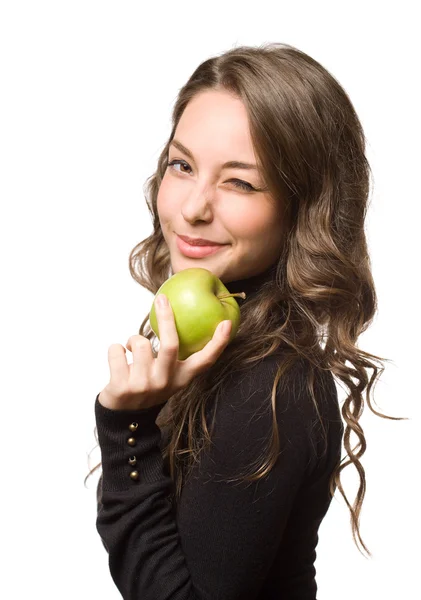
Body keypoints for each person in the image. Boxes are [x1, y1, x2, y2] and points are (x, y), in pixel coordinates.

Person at [87, 42, 402, 599]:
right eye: (182, 166)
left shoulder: (272, 388)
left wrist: (126, 428)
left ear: (303, 209)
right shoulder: (231, 348)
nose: (192, 208)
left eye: (240, 182)